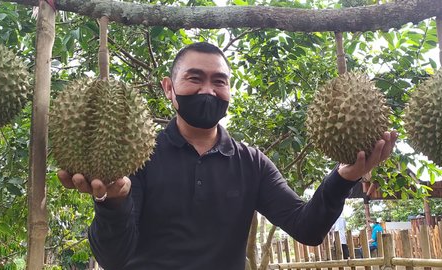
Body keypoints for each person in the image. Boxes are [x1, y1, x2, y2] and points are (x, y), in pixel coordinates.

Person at [57, 42, 397, 269]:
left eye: (219, 81)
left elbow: (306, 227)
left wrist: (343, 178)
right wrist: (113, 202)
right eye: (195, 78)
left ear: (229, 90)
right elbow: (115, 258)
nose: (208, 90)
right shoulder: (138, 157)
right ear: (168, 88)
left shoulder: (251, 163)